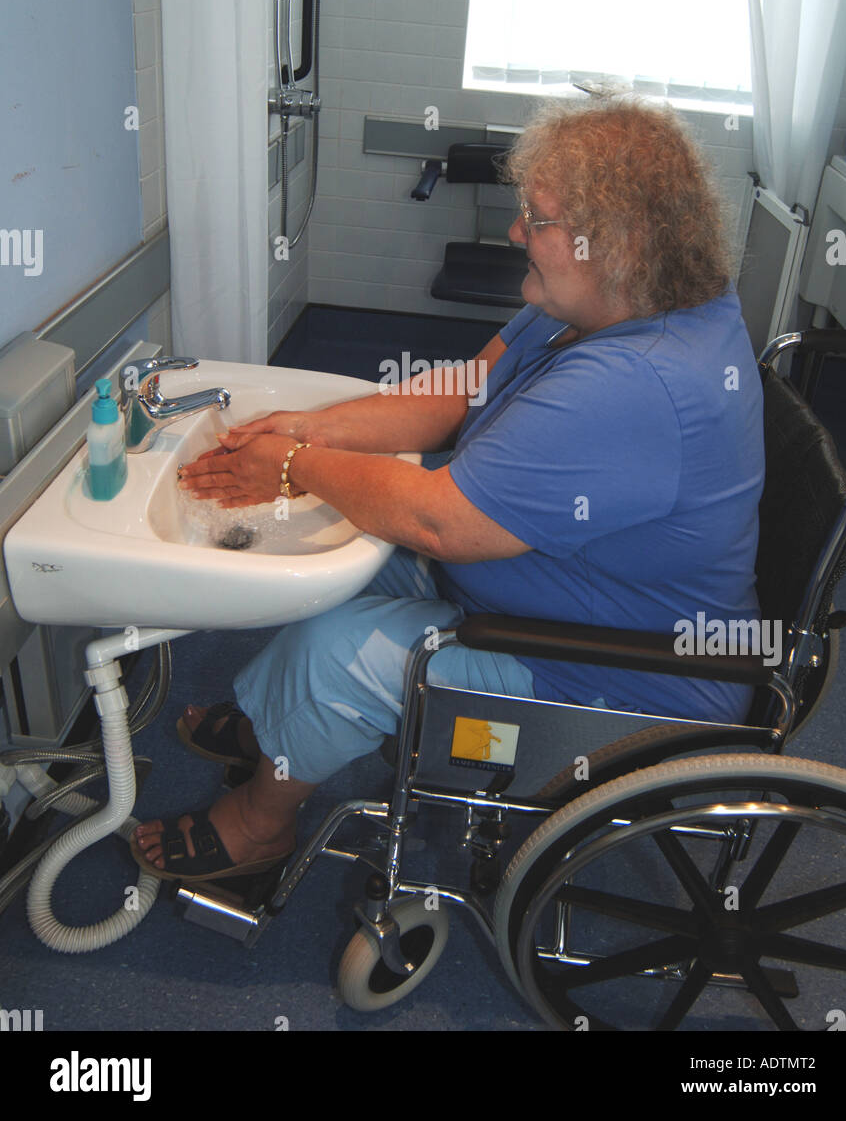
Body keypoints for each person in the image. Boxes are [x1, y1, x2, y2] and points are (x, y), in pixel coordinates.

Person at [132, 97, 764, 881]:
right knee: (328, 540)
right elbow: (467, 387)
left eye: (537, 218)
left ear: (620, 246)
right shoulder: (613, 301)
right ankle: (279, 728)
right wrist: (313, 430)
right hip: (556, 588)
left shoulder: (639, 385)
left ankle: (262, 823)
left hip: (615, 685)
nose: (513, 233)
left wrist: (293, 466)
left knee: (340, 651)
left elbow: (440, 524)